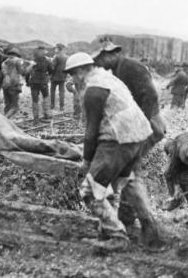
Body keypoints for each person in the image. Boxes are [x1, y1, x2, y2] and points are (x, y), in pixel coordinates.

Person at [66, 52, 162, 251]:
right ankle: (132, 230)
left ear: (82, 70)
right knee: (117, 186)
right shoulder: (108, 78)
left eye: (73, 74)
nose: (72, 79)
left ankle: (117, 235)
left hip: (118, 138)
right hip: (138, 136)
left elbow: (91, 131)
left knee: (89, 192)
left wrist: (86, 161)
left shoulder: (94, 90)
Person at [93, 41, 166, 149]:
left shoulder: (131, 66)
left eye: (100, 60)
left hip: (149, 119)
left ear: (111, 54)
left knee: (135, 154)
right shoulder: (117, 69)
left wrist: (142, 123)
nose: (100, 65)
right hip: (138, 117)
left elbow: (150, 96)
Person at [27, 46, 53, 125]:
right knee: (45, 98)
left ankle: (36, 119)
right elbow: (51, 71)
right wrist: (47, 78)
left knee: (35, 100)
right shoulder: (47, 61)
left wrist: (27, 81)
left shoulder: (33, 61)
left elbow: (27, 72)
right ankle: (46, 115)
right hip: (43, 83)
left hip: (34, 82)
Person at [1, 47, 25, 118]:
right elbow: (22, 72)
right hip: (14, 85)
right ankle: (5, 119)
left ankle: (6, 121)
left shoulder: (4, 62)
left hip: (5, 84)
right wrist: (30, 66)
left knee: (7, 105)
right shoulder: (18, 61)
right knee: (14, 107)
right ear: (16, 54)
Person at [50, 43, 68, 111]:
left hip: (54, 77)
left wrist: (50, 61)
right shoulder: (66, 57)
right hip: (63, 77)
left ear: (58, 49)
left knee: (52, 91)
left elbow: (52, 67)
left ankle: (52, 105)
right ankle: (62, 106)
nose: (55, 49)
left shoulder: (56, 56)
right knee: (61, 92)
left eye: (56, 48)